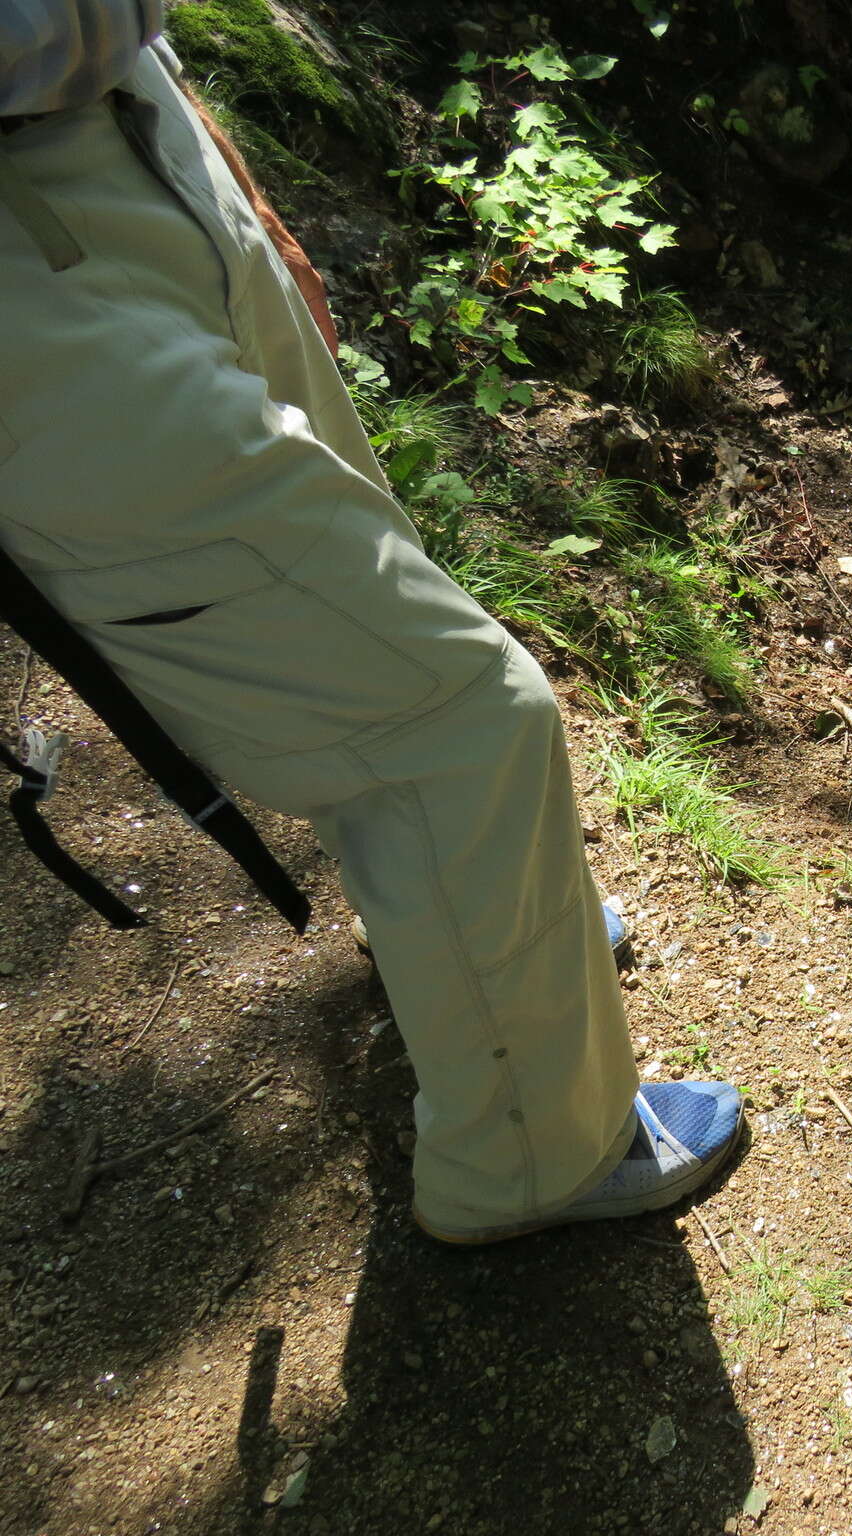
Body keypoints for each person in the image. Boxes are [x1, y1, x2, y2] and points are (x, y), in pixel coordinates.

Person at [0, 0, 744, 1243]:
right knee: (461, 715)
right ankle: (529, 1158)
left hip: (136, 124)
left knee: (362, 636)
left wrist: (239, 204)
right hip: (35, 304)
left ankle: (473, 957)